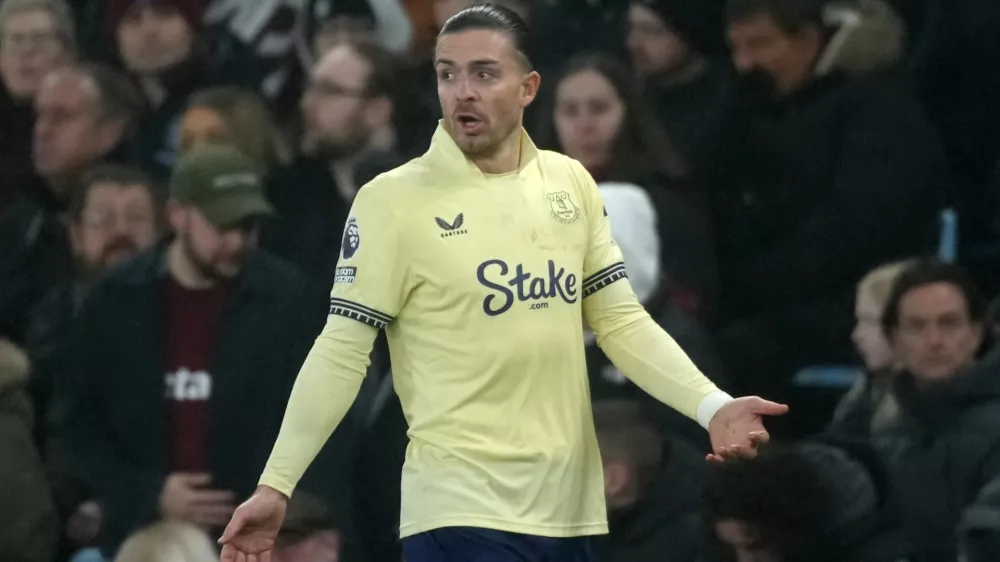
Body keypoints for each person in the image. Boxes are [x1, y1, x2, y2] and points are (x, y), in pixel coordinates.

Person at [219, 5, 787, 562]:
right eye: (448, 74)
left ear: (528, 87)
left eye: (484, 73)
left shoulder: (570, 185)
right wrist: (278, 483)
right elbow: (342, 350)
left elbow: (621, 321)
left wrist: (711, 405)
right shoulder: (392, 201)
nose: (463, 90)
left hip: (571, 509)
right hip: (459, 511)